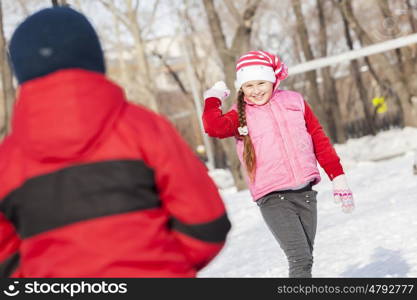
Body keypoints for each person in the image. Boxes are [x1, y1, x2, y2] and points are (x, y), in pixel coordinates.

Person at [0, 7, 230, 278]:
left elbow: (5, 258)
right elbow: (206, 223)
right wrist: (164, 264)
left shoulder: (7, 161)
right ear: (94, 57)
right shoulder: (145, 128)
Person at [202, 50, 354, 278]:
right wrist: (213, 97)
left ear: (273, 79)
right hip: (273, 197)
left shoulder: (295, 102)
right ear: (241, 87)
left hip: (305, 194)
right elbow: (213, 127)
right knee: (300, 259)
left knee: (306, 259)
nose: (255, 91)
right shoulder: (239, 114)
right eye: (248, 85)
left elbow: (318, 140)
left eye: (261, 83)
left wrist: (338, 177)